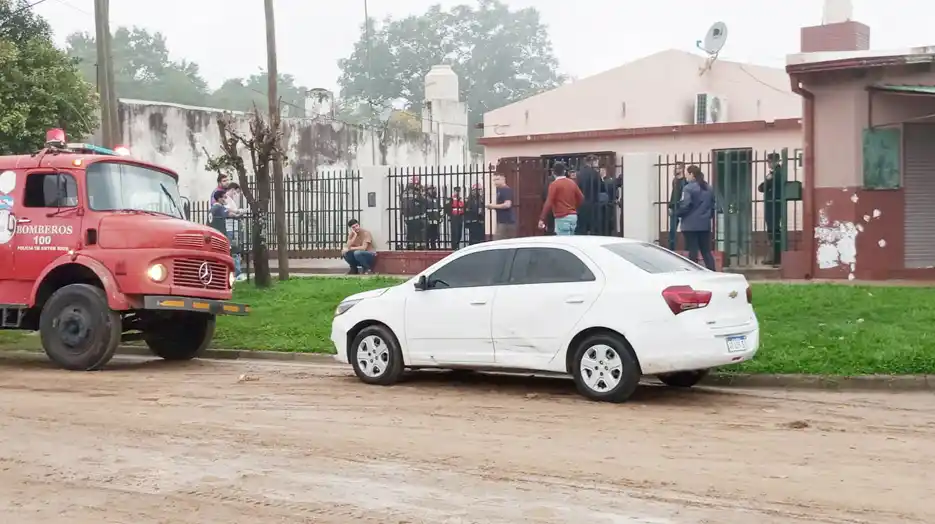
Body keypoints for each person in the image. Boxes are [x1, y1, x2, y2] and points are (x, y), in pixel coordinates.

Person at [677, 165, 717, 271]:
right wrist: (708, 217)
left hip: (690, 225)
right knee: (706, 251)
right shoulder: (708, 187)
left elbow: (686, 205)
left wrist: (677, 213)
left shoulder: (688, 188)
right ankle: (712, 271)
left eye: (687, 174)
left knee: (692, 250)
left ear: (692, 175)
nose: (686, 176)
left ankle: (694, 272)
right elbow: (713, 205)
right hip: (704, 224)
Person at [538, 162, 583, 236]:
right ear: (564, 171)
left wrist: (542, 218)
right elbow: (581, 198)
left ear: (553, 172)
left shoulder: (554, 184)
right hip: (573, 216)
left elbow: (549, 202)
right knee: (571, 240)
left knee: (564, 241)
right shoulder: (572, 182)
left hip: (562, 216)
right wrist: (573, 207)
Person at [759, 153, 784, 266]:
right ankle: (774, 257)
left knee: (773, 231)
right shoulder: (774, 173)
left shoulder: (778, 173)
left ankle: (776, 258)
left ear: (776, 161)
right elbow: (761, 188)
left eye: (769, 161)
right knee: (772, 231)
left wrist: (768, 180)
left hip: (774, 205)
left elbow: (763, 187)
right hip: (772, 204)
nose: (768, 164)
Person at [575, 155, 606, 235]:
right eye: (597, 162)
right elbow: (602, 188)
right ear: (593, 162)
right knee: (593, 229)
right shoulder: (595, 174)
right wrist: (602, 178)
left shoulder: (579, 173)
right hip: (593, 204)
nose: (597, 165)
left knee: (582, 229)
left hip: (580, 204)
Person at [224, 183, 247, 282]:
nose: (236, 195)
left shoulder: (229, 200)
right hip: (229, 227)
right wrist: (238, 212)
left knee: (235, 249)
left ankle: (236, 272)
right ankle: (235, 273)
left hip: (233, 227)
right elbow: (228, 212)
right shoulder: (225, 199)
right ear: (232, 189)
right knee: (233, 249)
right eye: (236, 192)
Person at [399, 177, 425, 249]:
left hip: (407, 218)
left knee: (410, 236)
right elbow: (423, 201)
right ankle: (419, 249)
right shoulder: (416, 193)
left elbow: (402, 205)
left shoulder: (403, 193)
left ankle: (409, 248)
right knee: (418, 236)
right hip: (416, 218)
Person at [488, 174, 516, 240]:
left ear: (503, 179)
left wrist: (493, 206)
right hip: (503, 222)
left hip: (506, 222)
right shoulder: (500, 190)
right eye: (494, 180)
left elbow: (507, 204)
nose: (495, 182)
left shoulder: (505, 190)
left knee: (497, 243)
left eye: (497, 179)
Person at [667, 162, 687, 250]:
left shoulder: (685, 181)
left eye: (678, 168)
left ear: (682, 169)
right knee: (672, 232)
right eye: (675, 168)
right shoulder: (675, 181)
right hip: (674, 208)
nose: (676, 170)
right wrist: (670, 206)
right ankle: (672, 250)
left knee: (686, 231)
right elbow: (673, 195)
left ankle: (687, 251)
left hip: (682, 208)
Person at [424, 185, 442, 249]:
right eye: (430, 189)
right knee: (427, 235)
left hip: (435, 220)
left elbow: (439, 209)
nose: (432, 190)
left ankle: (433, 247)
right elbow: (424, 210)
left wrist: (440, 217)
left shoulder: (436, 199)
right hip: (428, 220)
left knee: (434, 236)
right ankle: (427, 247)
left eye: (433, 189)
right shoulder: (425, 199)